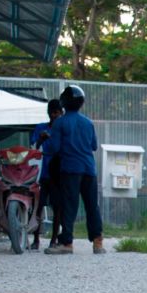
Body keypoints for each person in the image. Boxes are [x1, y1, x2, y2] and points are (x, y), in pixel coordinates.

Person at [43, 86, 105, 255]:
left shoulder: (60, 123)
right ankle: (98, 242)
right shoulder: (88, 123)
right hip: (89, 169)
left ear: (64, 103)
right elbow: (93, 146)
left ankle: (67, 243)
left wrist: (46, 143)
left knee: (69, 205)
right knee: (92, 205)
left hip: (70, 169)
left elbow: (53, 148)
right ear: (81, 103)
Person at [30, 99, 63, 250]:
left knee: (57, 207)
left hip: (57, 174)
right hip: (42, 174)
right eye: (52, 112)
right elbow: (33, 148)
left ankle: (53, 240)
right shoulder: (40, 128)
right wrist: (40, 140)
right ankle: (36, 238)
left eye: (57, 112)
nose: (54, 115)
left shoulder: (63, 130)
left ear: (61, 113)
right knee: (39, 206)